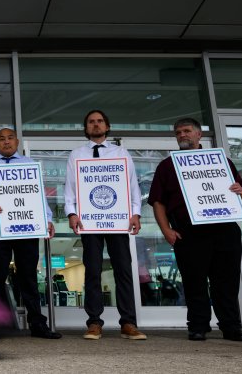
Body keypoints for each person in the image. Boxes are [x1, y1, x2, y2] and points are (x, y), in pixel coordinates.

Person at [148, 118, 242, 342]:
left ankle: (231, 327)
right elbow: (158, 202)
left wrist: (239, 190)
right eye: (178, 133)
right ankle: (198, 326)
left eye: (186, 131)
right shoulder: (167, 166)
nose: (182, 135)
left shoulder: (220, 161)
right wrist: (166, 229)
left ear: (198, 135)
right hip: (188, 232)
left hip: (224, 229)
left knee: (227, 282)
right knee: (194, 282)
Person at [64, 110, 146, 340]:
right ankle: (94, 322)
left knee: (123, 270)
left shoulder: (120, 152)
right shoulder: (77, 154)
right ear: (86, 127)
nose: (96, 125)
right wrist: (71, 212)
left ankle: (128, 322)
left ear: (107, 126)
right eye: (91, 122)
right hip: (89, 221)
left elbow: (132, 186)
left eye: (100, 121)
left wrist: (135, 213)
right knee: (92, 271)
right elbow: (69, 187)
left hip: (118, 220)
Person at [0, 128, 61, 339]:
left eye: (10, 138)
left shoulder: (30, 165)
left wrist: (47, 220)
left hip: (28, 222)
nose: (6, 142)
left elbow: (39, 195)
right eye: (1, 139)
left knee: (28, 275)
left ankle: (37, 325)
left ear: (17, 141)